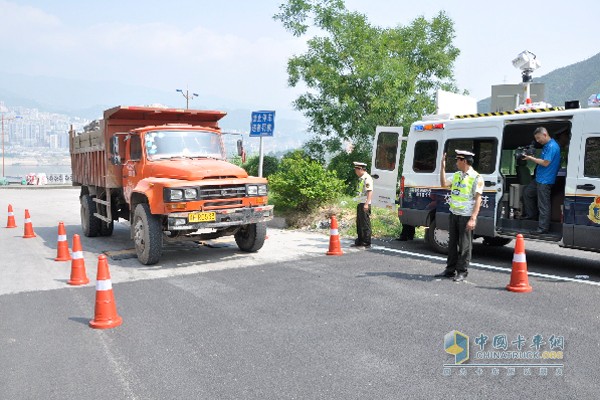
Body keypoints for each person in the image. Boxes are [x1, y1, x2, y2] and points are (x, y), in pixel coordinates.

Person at [434, 150, 484, 282]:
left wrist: (473, 218)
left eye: (458, 160)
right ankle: (450, 270)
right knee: (452, 244)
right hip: (454, 214)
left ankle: (462, 271)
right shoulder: (457, 175)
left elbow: (478, 199)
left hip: (466, 216)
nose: (456, 163)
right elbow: (444, 184)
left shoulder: (476, 178)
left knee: (465, 245)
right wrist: (442, 168)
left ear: (465, 161)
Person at [521, 127, 561, 234]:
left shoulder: (552, 146)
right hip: (539, 178)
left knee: (543, 204)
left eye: (539, 138)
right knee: (527, 192)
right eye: (536, 139)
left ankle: (543, 228)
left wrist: (530, 158)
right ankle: (531, 216)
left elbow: (545, 163)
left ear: (545, 134)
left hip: (546, 180)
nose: (538, 141)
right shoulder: (547, 146)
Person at [352, 161, 373, 248]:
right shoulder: (361, 178)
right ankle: (360, 240)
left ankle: (366, 241)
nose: (355, 171)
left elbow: (369, 191)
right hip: (360, 203)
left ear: (360, 169)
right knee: (359, 223)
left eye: (356, 169)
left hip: (364, 203)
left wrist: (366, 204)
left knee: (365, 223)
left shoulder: (367, 178)